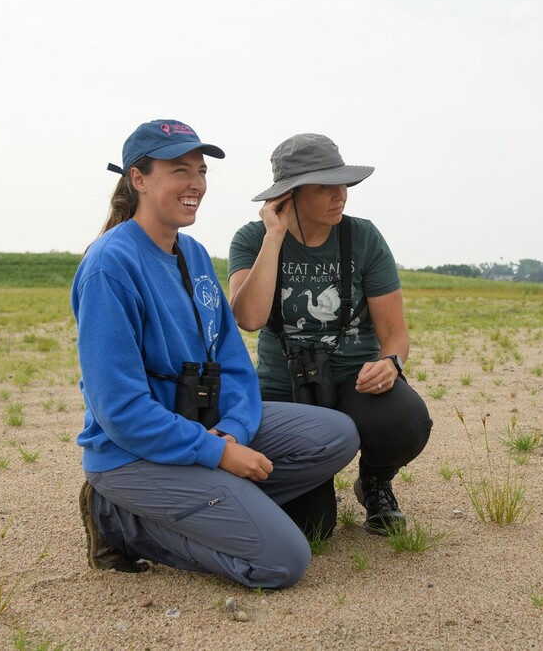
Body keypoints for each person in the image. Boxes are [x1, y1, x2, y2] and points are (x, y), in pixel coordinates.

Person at [72, 119, 359, 589]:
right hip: (130, 454)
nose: (196, 184)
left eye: (201, 171)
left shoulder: (195, 255)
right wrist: (217, 454)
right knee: (282, 561)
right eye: (180, 170)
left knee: (337, 435)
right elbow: (120, 412)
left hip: (203, 428)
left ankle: (217, 503)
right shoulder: (109, 267)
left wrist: (232, 431)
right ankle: (120, 522)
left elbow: (233, 364)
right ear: (138, 179)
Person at [228, 133, 432, 536]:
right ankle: (310, 483)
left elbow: (395, 331)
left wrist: (391, 363)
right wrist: (274, 237)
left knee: (406, 419)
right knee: (312, 526)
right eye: (325, 186)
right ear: (288, 195)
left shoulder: (364, 237)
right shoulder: (252, 239)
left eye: (343, 184)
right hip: (281, 387)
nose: (341, 195)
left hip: (354, 381)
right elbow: (248, 318)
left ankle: (374, 482)